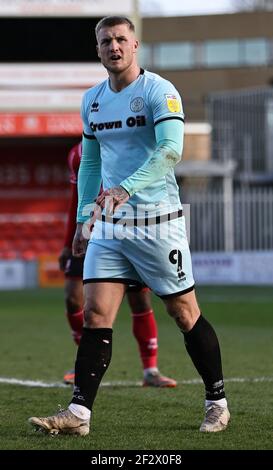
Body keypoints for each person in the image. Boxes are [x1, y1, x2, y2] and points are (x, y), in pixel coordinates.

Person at [29, 16, 230, 436]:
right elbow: (90, 163)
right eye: (106, 41)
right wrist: (86, 217)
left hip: (157, 222)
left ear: (135, 45)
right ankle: (78, 415)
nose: (114, 47)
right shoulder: (92, 100)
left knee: (183, 312)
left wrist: (124, 188)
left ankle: (217, 401)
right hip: (111, 226)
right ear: (98, 49)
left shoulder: (159, 91)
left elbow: (171, 151)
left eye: (121, 39)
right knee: (96, 313)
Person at [59, 141, 177, 387]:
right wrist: (68, 238)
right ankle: (86, 362)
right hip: (92, 229)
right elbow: (76, 199)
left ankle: (150, 370)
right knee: (73, 297)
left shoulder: (131, 145)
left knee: (140, 298)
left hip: (126, 226)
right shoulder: (79, 154)